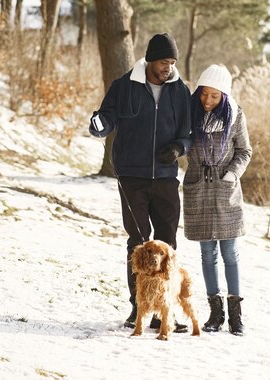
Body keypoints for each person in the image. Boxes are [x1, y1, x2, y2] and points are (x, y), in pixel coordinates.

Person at [89, 33, 191, 332]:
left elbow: (188, 134)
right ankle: (138, 309)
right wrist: (99, 125)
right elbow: (105, 118)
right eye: (163, 62)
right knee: (138, 244)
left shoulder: (179, 92)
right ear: (149, 60)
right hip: (131, 176)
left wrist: (178, 149)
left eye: (172, 62)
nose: (167, 68)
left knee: (167, 246)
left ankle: (163, 312)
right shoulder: (124, 86)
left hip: (166, 178)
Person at [182, 64, 252, 336]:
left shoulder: (235, 116)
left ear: (223, 95)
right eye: (204, 95)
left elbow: (245, 151)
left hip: (226, 190)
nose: (207, 101)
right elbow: (183, 142)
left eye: (214, 96)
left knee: (230, 254)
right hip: (198, 189)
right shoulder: (191, 115)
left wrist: (233, 174)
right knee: (207, 254)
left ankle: (236, 315)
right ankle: (215, 313)